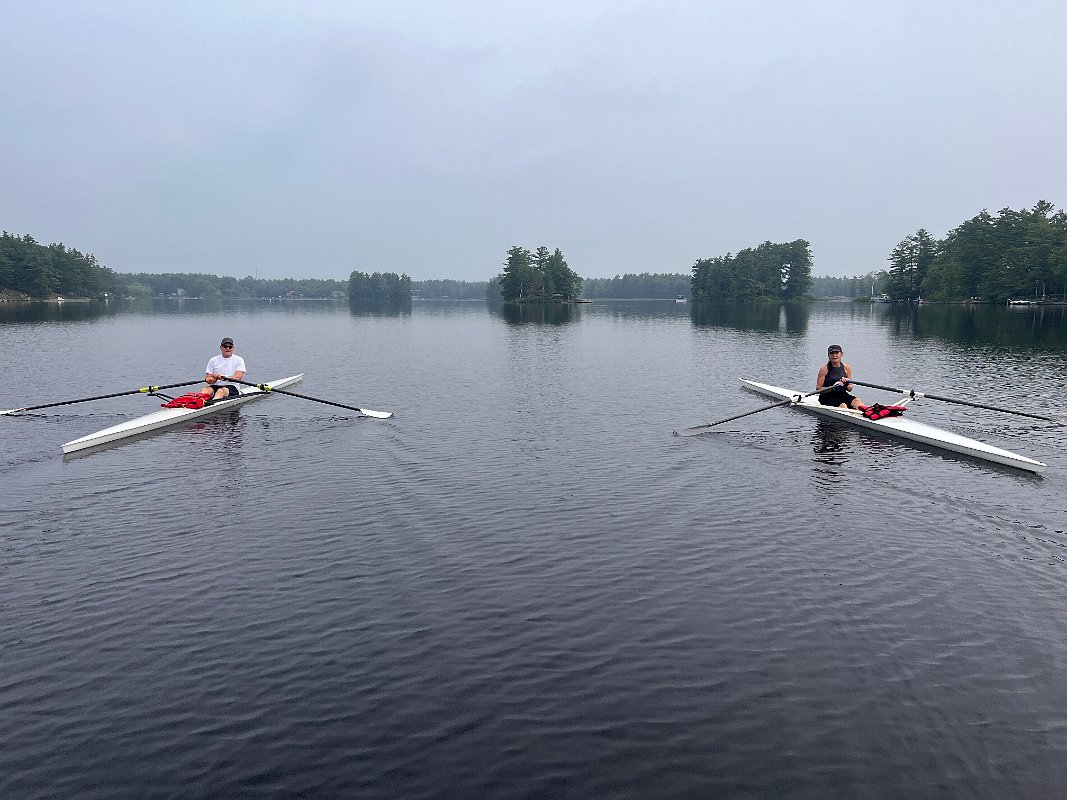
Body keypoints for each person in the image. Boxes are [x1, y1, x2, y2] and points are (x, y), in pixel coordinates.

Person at [816, 344, 866, 410]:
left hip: (842, 394)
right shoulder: (824, 369)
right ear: (828, 355)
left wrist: (846, 384)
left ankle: (869, 414)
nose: (834, 355)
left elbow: (850, 389)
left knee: (858, 402)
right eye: (832, 353)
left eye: (837, 353)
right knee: (843, 406)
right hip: (827, 396)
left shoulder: (847, 368)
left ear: (841, 354)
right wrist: (833, 387)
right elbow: (818, 389)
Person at [199, 337, 246, 403]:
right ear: (221, 348)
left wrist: (223, 378)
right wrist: (212, 379)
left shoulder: (239, 360)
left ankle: (211, 405)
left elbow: (238, 377)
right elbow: (208, 379)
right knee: (204, 390)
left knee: (221, 391)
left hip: (232, 387)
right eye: (225, 346)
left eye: (230, 347)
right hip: (216, 386)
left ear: (233, 348)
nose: (228, 348)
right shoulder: (213, 360)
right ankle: (196, 403)